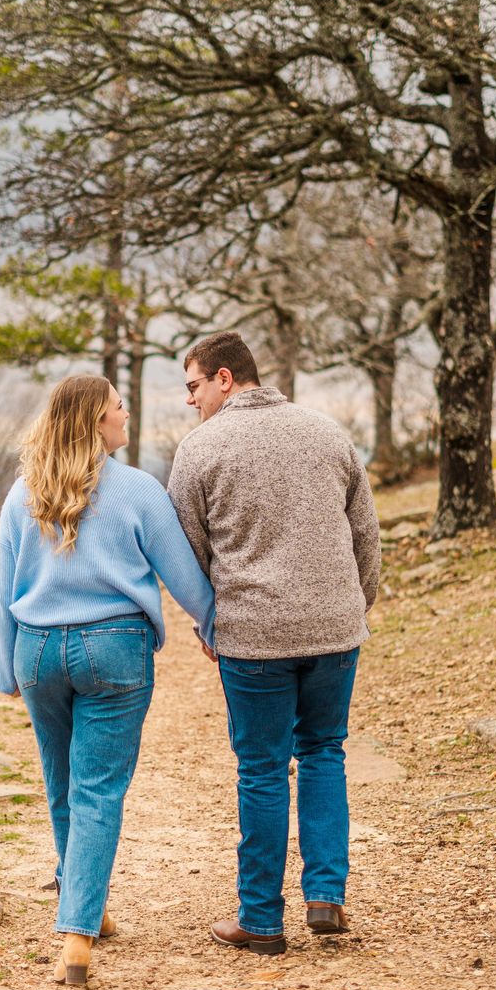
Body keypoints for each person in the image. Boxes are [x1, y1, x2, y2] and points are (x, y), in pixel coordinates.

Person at [0, 375, 215, 986]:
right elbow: (185, 578)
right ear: (96, 420)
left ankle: (83, 903)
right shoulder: (139, 490)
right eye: (119, 405)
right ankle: (77, 934)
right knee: (97, 791)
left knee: (63, 785)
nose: (127, 411)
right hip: (114, 649)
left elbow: (4, 587)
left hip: (37, 651)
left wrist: (2, 667)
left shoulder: (23, 494)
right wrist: (214, 627)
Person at [168, 331, 380, 956]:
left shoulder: (200, 450)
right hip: (335, 629)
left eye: (194, 386)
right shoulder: (328, 433)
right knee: (323, 752)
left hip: (253, 634)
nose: (191, 401)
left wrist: (212, 621)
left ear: (226, 379)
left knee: (261, 769)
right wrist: (352, 607)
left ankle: (261, 919)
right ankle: (326, 894)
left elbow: (188, 553)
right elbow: (365, 533)